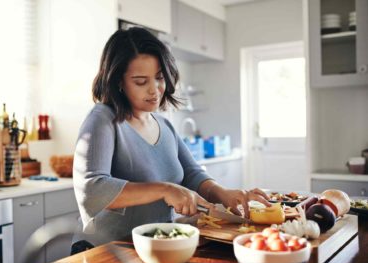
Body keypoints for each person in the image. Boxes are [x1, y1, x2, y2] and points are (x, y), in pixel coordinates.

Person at [73, 27, 270, 246]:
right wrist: (165, 189)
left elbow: (192, 174)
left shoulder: (164, 125)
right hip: (106, 249)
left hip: (154, 246)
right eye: (141, 81)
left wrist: (222, 193)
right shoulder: (102, 119)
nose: (155, 90)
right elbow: (92, 189)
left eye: (159, 78)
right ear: (118, 81)